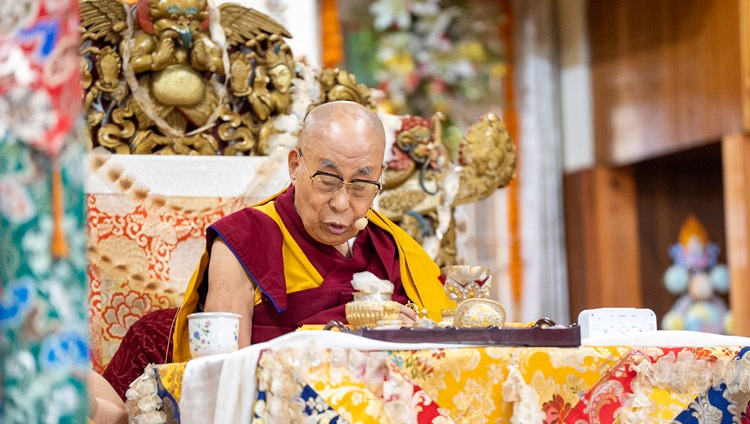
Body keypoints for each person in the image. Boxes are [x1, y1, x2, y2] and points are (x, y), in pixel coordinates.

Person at [102, 101, 455, 396]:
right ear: (295, 166)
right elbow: (226, 373)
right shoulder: (245, 238)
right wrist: (343, 333)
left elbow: (446, 339)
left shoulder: (390, 245)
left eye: (362, 185)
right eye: (328, 180)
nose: (342, 203)